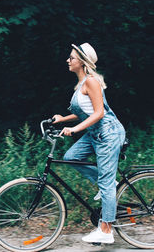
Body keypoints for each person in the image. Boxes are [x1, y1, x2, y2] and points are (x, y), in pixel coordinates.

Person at [52, 42, 125, 244]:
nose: (68, 60)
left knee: (106, 183)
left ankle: (106, 230)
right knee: (71, 157)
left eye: (72, 58)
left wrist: (75, 129)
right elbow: (82, 112)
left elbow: (99, 112)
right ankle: (109, 184)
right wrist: (63, 119)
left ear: (82, 62)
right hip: (95, 134)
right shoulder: (81, 84)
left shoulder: (91, 81)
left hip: (108, 133)